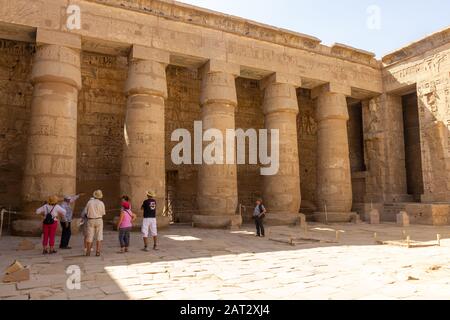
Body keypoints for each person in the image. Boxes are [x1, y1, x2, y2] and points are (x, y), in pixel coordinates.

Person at [85, 190, 106, 257]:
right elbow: (103, 213)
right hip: (99, 220)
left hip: (90, 220)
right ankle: (98, 251)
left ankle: (88, 252)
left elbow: (86, 211)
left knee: (89, 236)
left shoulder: (89, 202)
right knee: (99, 236)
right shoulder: (101, 203)